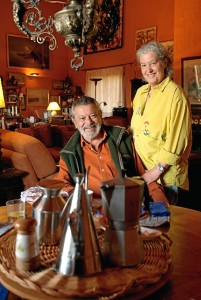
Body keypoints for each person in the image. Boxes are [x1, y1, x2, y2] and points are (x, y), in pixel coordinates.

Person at [55, 96, 165, 202]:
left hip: (127, 206)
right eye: (82, 118)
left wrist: (161, 203)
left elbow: (146, 177)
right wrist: (78, 196)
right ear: (74, 121)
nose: (89, 122)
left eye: (93, 115)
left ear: (100, 116)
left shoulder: (122, 139)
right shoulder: (69, 153)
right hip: (91, 210)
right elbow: (61, 183)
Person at [130, 41, 192, 204]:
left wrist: (156, 172)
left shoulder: (175, 95)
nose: (148, 70)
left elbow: (178, 141)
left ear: (164, 63)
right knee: (145, 226)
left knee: (165, 225)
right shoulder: (140, 93)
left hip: (165, 177)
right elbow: (135, 130)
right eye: (143, 65)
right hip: (143, 172)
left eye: (153, 63)